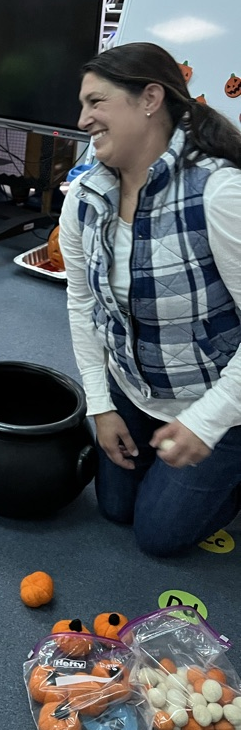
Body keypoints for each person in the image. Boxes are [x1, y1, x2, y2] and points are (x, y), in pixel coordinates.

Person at [59, 42, 241, 557]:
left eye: (96, 102)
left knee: (157, 536)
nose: (82, 119)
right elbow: (82, 305)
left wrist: (206, 421)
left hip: (217, 396)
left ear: (150, 99)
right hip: (134, 386)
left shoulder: (219, 193)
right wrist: (100, 406)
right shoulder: (84, 201)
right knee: (115, 509)